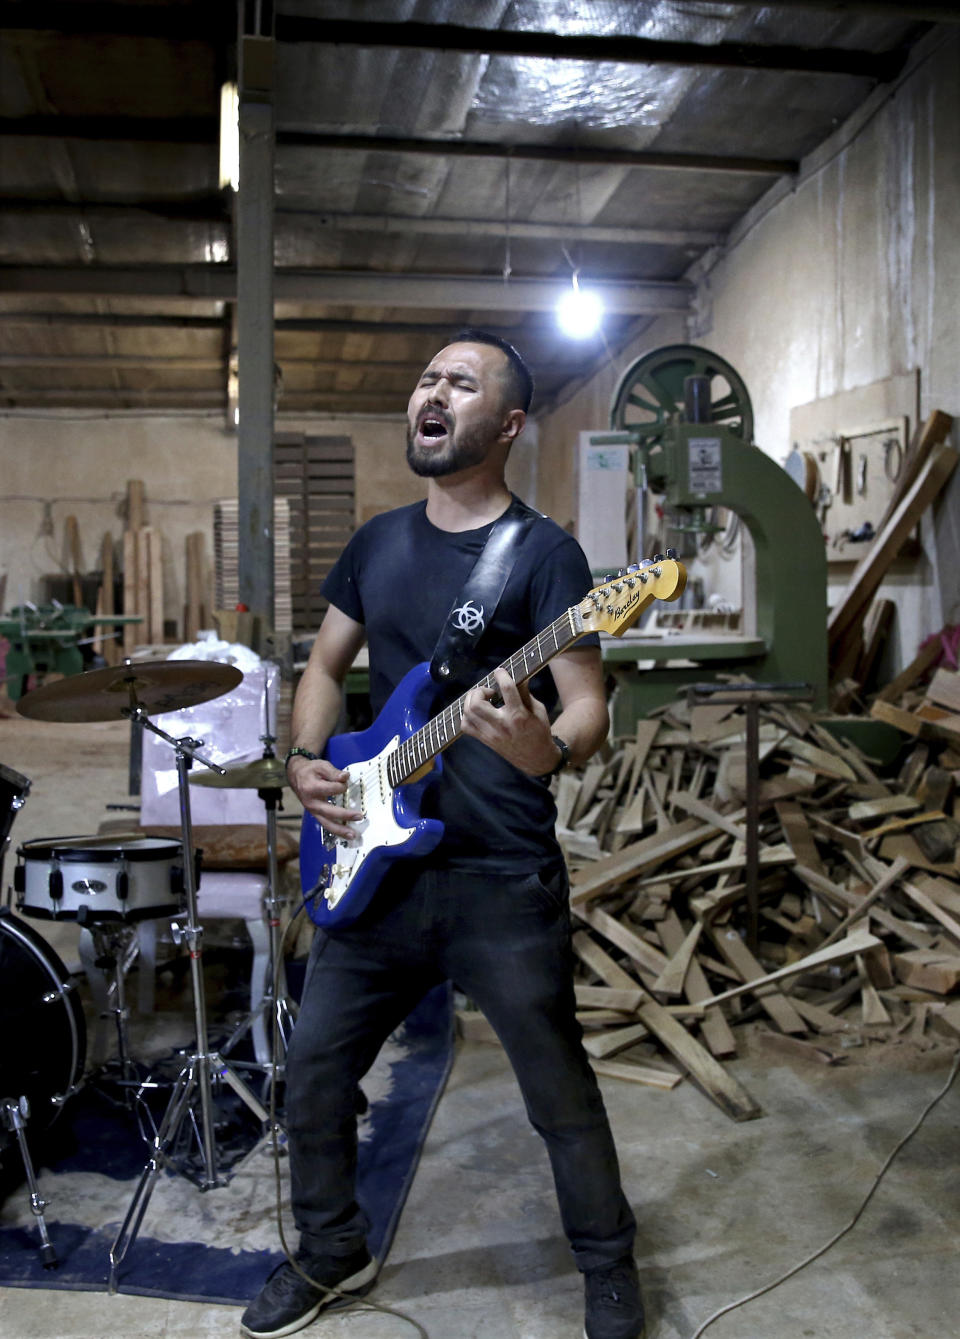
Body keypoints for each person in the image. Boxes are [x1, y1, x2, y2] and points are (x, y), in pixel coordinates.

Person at [240, 330, 643, 1339]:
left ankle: (607, 1263)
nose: (431, 391)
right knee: (316, 1073)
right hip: (375, 862)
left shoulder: (547, 556)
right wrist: (303, 759)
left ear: (506, 424)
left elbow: (586, 706)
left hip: (500, 873)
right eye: (425, 377)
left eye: (460, 383)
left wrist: (545, 746)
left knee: (557, 1086)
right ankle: (333, 1252)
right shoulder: (377, 542)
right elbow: (328, 667)